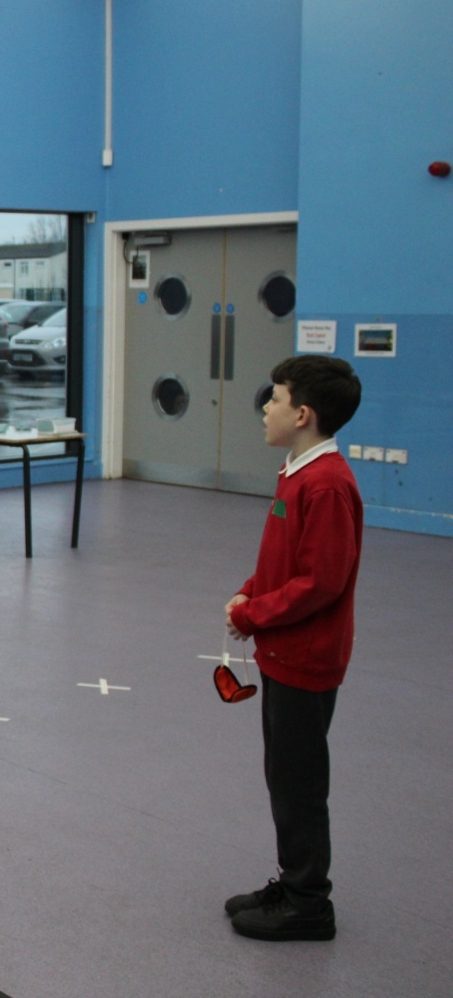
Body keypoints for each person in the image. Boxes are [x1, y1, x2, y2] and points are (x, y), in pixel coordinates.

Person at [222, 355, 363, 942]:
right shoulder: (295, 472)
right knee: (283, 776)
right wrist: (251, 590)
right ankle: (292, 880)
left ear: (302, 414)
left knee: (299, 785)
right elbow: (285, 561)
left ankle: (309, 902)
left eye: (274, 398)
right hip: (281, 655)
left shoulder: (326, 484)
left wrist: (252, 615)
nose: (266, 408)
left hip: (306, 659)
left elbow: (321, 581)